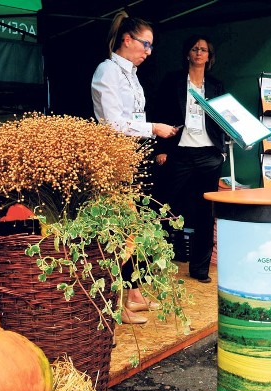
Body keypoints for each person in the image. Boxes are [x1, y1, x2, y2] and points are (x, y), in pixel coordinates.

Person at [91, 11, 179, 324]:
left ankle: (135, 292)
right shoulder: (108, 72)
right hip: (116, 158)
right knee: (120, 230)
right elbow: (114, 123)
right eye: (145, 44)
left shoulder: (131, 74)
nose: (148, 51)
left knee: (137, 226)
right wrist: (153, 127)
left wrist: (152, 130)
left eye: (151, 46)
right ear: (127, 40)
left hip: (135, 155)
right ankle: (116, 303)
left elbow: (134, 118)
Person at [153, 35, 226, 284]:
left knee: (204, 212)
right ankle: (153, 263)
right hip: (179, 152)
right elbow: (159, 112)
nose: (198, 52)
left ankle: (200, 269)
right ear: (188, 53)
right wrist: (161, 149)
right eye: (194, 48)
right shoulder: (173, 81)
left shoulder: (216, 86)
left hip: (208, 154)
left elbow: (225, 118)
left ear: (209, 56)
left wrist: (222, 151)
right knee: (162, 207)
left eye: (203, 49)